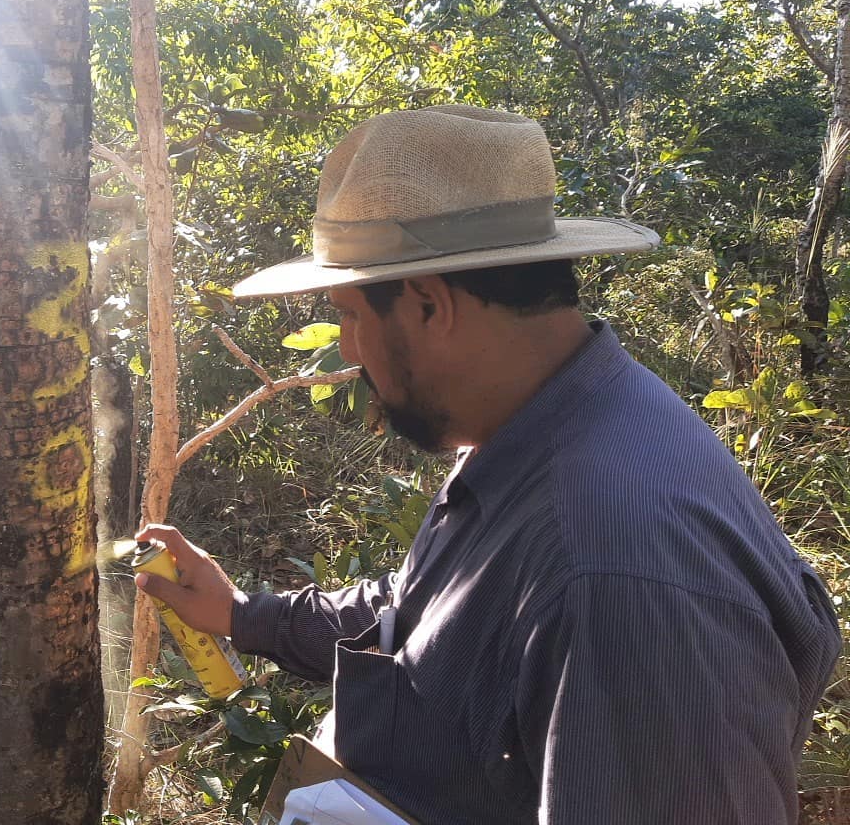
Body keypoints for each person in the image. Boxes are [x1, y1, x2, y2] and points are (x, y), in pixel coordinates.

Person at [136, 105, 841, 824]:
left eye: (350, 315)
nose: (348, 350)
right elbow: (423, 616)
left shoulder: (612, 567)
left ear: (427, 304)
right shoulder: (536, 431)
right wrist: (242, 615)